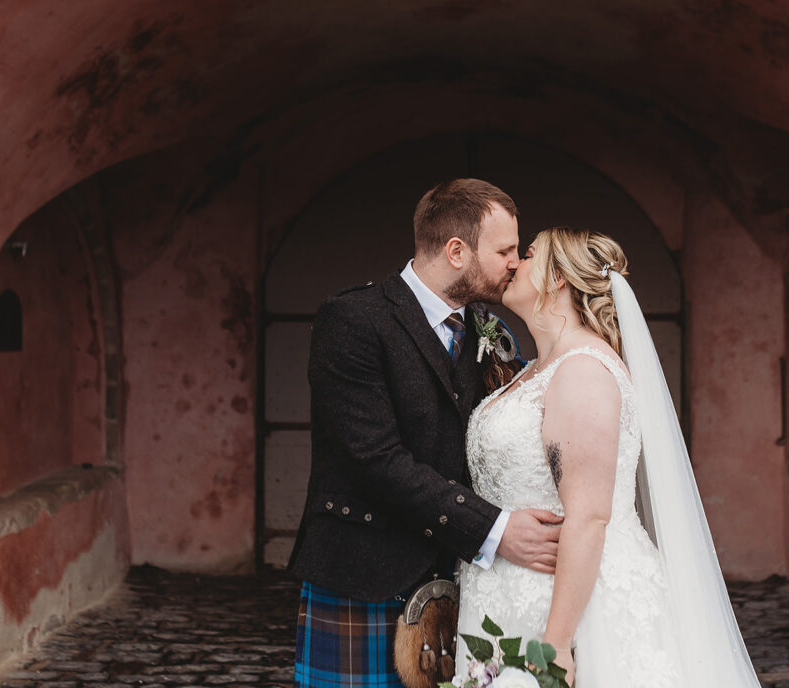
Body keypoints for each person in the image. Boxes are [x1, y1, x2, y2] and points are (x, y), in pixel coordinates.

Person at [455, 227, 761, 688]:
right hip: (507, 598)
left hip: (574, 609)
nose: (515, 262)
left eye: (530, 253)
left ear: (558, 277)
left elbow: (591, 516)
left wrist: (555, 645)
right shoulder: (539, 369)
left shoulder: (582, 371)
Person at [287, 179, 563, 688]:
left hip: (459, 576)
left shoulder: (488, 330)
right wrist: (497, 531)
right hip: (367, 573)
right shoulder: (353, 320)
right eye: (504, 250)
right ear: (456, 251)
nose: (514, 262)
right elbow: (375, 460)